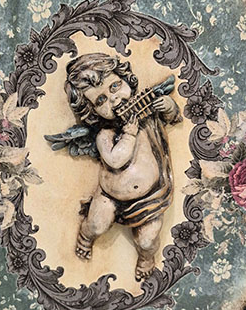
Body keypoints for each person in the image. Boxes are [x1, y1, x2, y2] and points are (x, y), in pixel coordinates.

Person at [64, 53, 181, 281]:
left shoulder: (148, 116)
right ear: (92, 111)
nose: (114, 100)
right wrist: (129, 133)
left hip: (151, 197)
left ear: (127, 79)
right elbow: (116, 160)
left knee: (147, 240)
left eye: (115, 86)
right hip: (110, 197)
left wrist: (168, 107)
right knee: (96, 224)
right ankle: (86, 237)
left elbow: (174, 118)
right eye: (101, 100)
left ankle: (146, 257)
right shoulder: (105, 135)